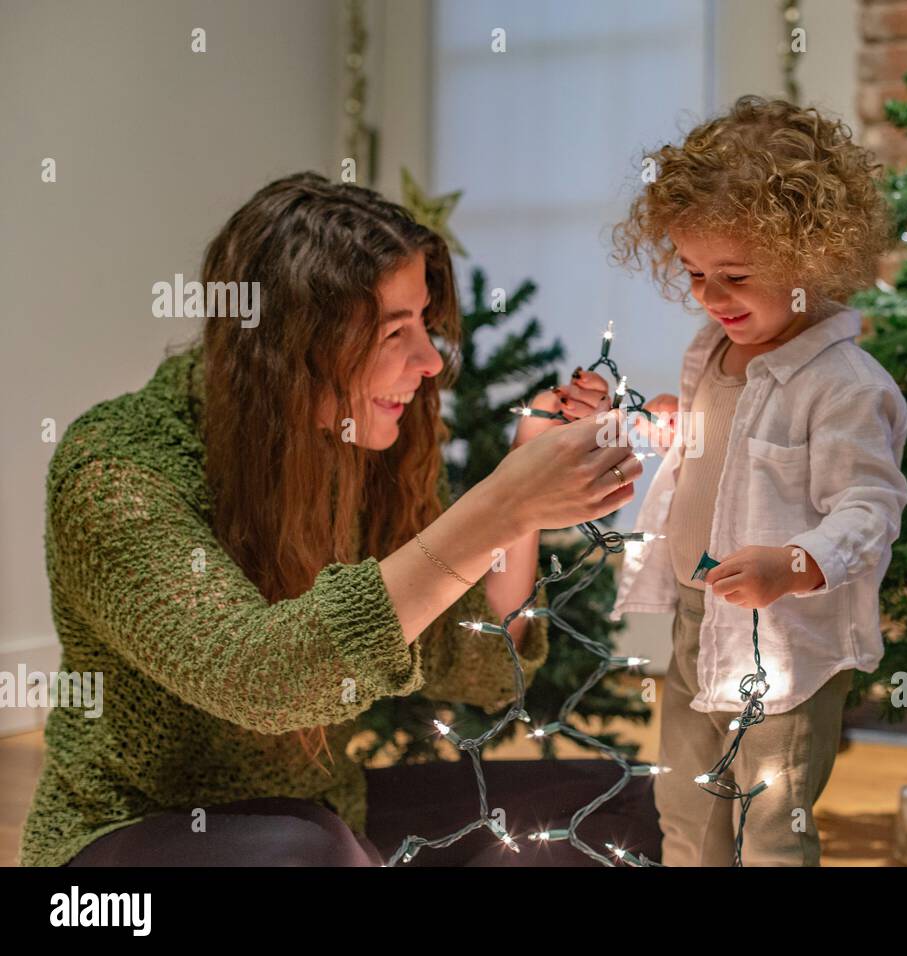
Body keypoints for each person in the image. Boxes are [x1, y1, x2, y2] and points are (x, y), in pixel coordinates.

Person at [20, 171, 649, 867]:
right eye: (393, 331)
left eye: (425, 323)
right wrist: (497, 504)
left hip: (330, 823)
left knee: (610, 799)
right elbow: (262, 679)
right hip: (119, 854)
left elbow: (483, 667)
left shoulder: (355, 446)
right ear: (295, 344)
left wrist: (516, 514)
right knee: (304, 851)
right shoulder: (117, 469)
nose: (429, 361)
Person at [608, 95, 907, 866]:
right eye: (694, 273)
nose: (709, 298)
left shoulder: (844, 383)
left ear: (813, 258)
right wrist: (680, 424)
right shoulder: (713, 349)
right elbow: (732, 444)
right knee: (685, 809)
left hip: (784, 650)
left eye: (734, 277)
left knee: (772, 828)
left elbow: (871, 505)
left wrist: (797, 562)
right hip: (694, 620)